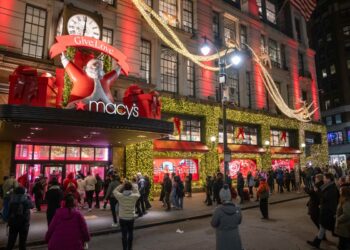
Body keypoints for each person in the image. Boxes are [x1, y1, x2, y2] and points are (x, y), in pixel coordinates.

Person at [307, 173, 340, 248]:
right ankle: (316, 243)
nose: (324, 179)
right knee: (323, 227)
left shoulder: (331, 188)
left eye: (325, 178)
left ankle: (344, 241)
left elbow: (324, 198)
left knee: (330, 227)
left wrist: (317, 191)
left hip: (328, 211)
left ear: (328, 179)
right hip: (326, 210)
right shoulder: (328, 186)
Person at [211, 184, 242, 250]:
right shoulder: (237, 208)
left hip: (222, 237)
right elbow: (239, 221)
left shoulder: (218, 210)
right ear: (230, 196)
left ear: (221, 197)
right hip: (235, 236)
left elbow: (213, 223)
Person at [113, 181, 140, 250]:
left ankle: (124, 248)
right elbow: (138, 193)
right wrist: (133, 186)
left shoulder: (120, 196)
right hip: (131, 217)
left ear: (124, 188)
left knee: (124, 234)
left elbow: (114, 191)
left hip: (122, 218)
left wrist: (122, 185)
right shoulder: (134, 196)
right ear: (131, 188)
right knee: (130, 233)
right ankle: (130, 248)